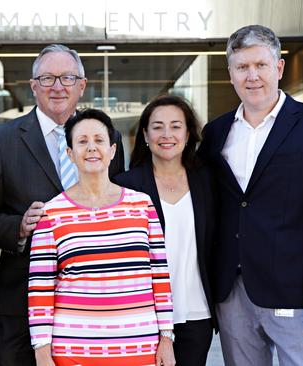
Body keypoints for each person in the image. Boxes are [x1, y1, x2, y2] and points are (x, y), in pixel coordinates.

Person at [197, 25, 303, 366]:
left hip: (296, 291)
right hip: (233, 293)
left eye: (260, 65)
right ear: (231, 73)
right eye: (242, 67)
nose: (252, 76)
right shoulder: (216, 132)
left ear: (279, 68)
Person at [0, 44, 125, 366]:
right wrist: (17, 225)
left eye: (67, 78)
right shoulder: (0, 141)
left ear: (82, 85)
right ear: (33, 86)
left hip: (96, 298)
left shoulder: (105, 139)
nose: (57, 87)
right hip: (21, 297)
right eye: (47, 78)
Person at [28, 108, 175, 366]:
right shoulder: (50, 213)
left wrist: (166, 337)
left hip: (139, 348)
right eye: (82, 142)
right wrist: (42, 350)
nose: (92, 148)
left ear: (113, 150)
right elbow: (40, 288)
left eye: (99, 140)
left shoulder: (142, 205)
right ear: (71, 154)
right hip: (74, 351)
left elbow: (160, 277)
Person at [113, 94, 217, 366]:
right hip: (143, 313)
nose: (166, 134)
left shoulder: (208, 180)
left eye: (175, 126)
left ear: (188, 133)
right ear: (145, 134)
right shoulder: (126, 186)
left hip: (197, 310)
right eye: (157, 127)